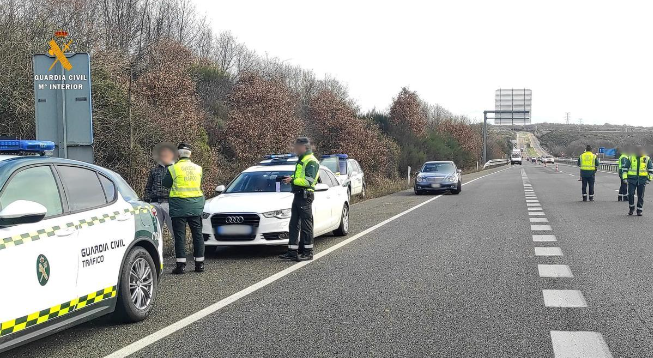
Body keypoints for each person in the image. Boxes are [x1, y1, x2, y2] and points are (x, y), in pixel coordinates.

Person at [163, 143, 206, 274]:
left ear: (178, 155)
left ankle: (181, 265)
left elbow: (165, 184)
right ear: (190, 154)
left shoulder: (173, 168)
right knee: (197, 234)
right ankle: (200, 264)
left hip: (179, 206)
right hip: (195, 205)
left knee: (179, 235)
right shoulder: (198, 169)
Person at [279, 137, 320, 262]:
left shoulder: (311, 161)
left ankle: (308, 252)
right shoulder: (301, 160)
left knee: (306, 225)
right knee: (294, 224)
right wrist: (291, 178)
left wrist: (293, 180)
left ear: (304, 147)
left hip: (305, 195)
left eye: (297, 147)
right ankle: (292, 251)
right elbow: (300, 177)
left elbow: (309, 180)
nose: (295, 149)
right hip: (298, 195)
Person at [144, 143, 176, 234]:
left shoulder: (175, 169)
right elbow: (148, 187)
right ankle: (158, 248)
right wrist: (147, 202)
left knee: (175, 231)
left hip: (170, 204)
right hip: (155, 203)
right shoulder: (154, 170)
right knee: (156, 232)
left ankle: (178, 248)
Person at [622, 146, 653, 216]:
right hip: (632, 179)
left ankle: (639, 210)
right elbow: (625, 169)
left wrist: (649, 179)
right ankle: (631, 207)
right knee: (630, 194)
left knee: (640, 195)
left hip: (642, 180)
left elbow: (651, 170)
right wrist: (624, 178)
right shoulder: (631, 158)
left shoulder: (646, 158)